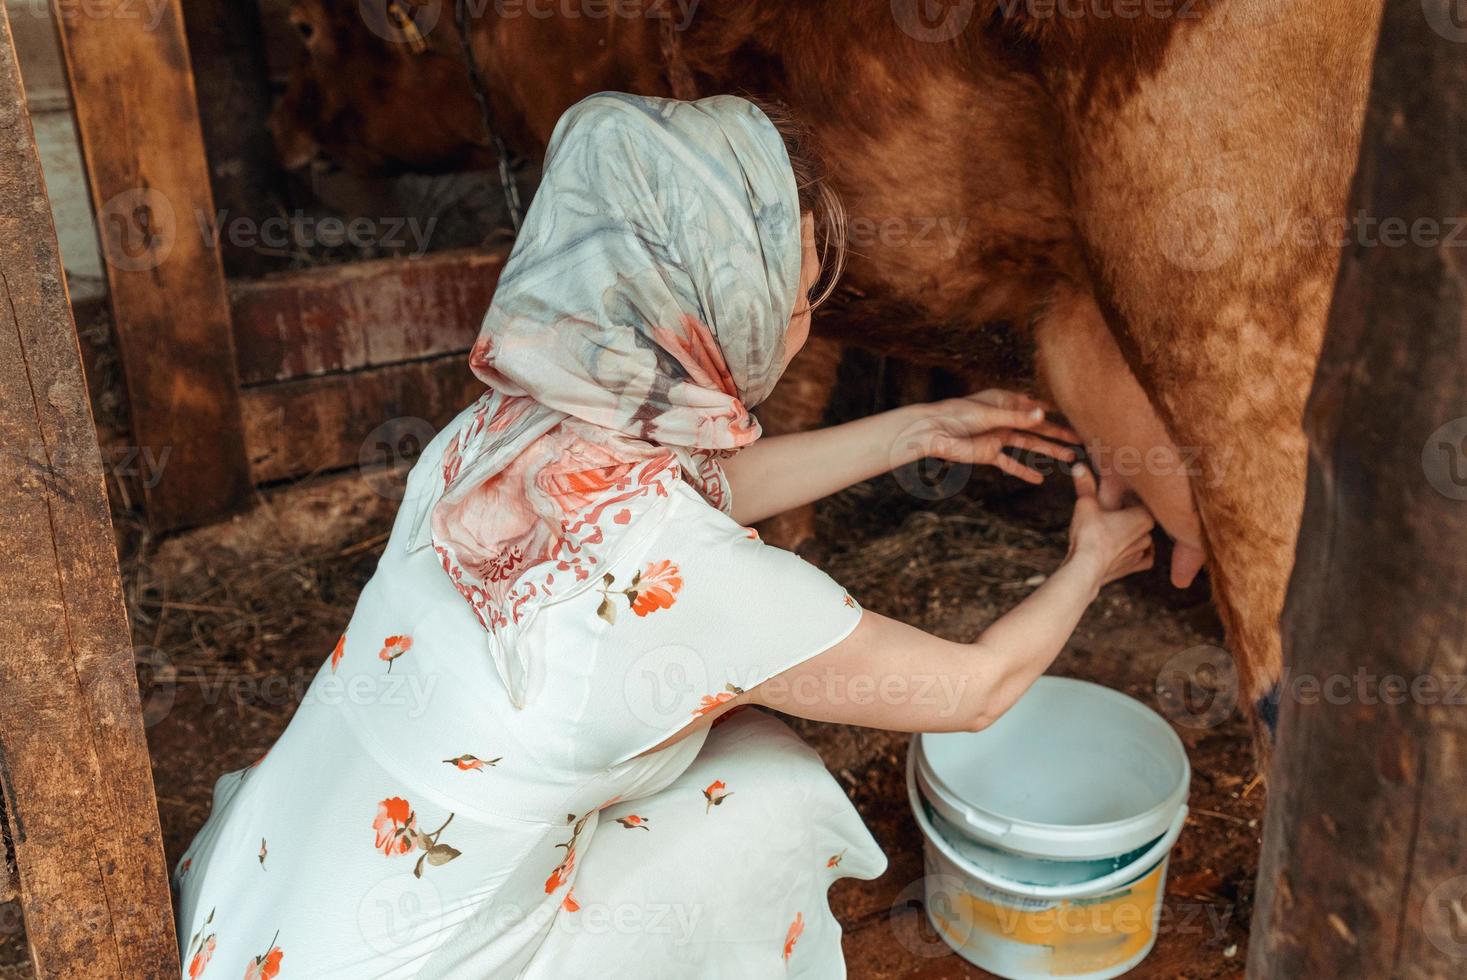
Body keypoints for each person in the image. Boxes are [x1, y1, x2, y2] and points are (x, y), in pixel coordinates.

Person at [174, 92, 1155, 979]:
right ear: (715, 304)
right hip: (423, 956)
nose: (805, 324)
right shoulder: (691, 577)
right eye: (793, 291)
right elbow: (972, 690)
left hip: (284, 891)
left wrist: (910, 430)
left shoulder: (498, 423)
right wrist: (1087, 563)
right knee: (770, 789)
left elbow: (688, 495)